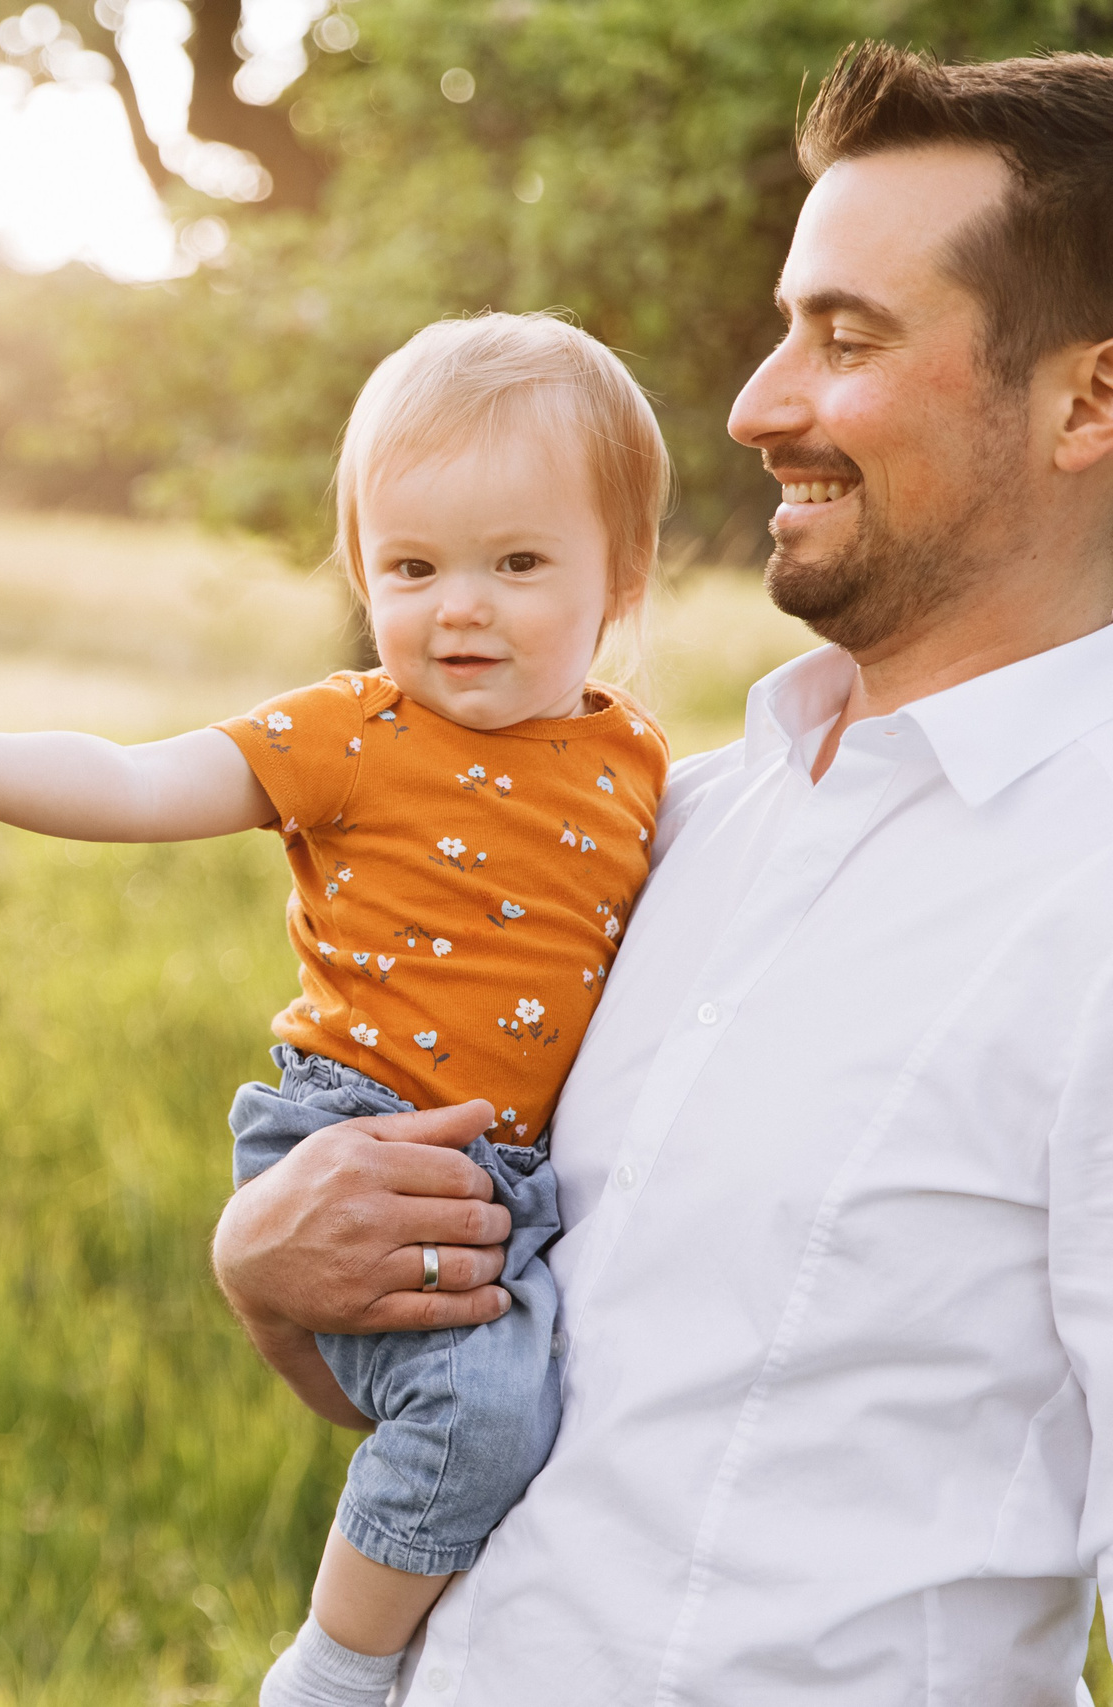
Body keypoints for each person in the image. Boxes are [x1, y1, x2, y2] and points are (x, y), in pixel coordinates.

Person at [211, 42, 1113, 1702]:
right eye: (783, 329)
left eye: (845, 339)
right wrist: (275, 1280)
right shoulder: (669, 830)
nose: (756, 405)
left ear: (1089, 402)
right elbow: (510, 1383)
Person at [0, 311, 671, 1702]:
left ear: (622, 577)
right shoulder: (348, 733)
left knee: (551, 1405)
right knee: (482, 1412)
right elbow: (132, 782)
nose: (458, 606)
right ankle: (335, 1665)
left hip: (508, 1171)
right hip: (355, 1134)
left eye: (518, 563)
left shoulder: (639, 759)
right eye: (412, 566)